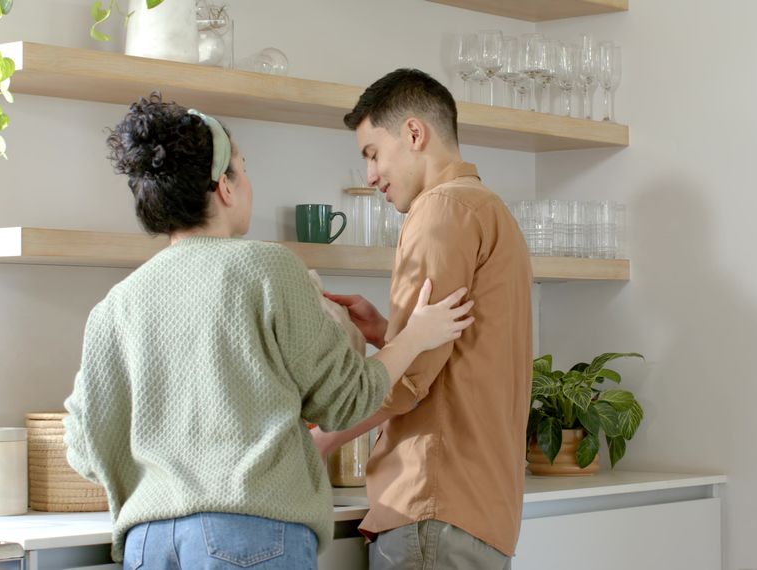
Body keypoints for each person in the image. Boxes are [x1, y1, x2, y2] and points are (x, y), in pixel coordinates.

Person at [61, 92, 474, 569]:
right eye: (243, 166)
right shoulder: (267, 268)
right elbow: (346, 401)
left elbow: (84, 448)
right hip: (249, 534)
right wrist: (415, 336)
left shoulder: (117, 304)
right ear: (225, 187)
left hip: (147, 545)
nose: (247, 180)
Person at [314, 69, 533, 569]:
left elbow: (412, 380)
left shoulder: (439, 211)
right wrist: (387, 334)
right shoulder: (489, 209)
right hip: (479, 505)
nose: (369, 176)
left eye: (372, 153)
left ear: (414, 134)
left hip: (433, 501)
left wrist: (324, 437)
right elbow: (456, 353)